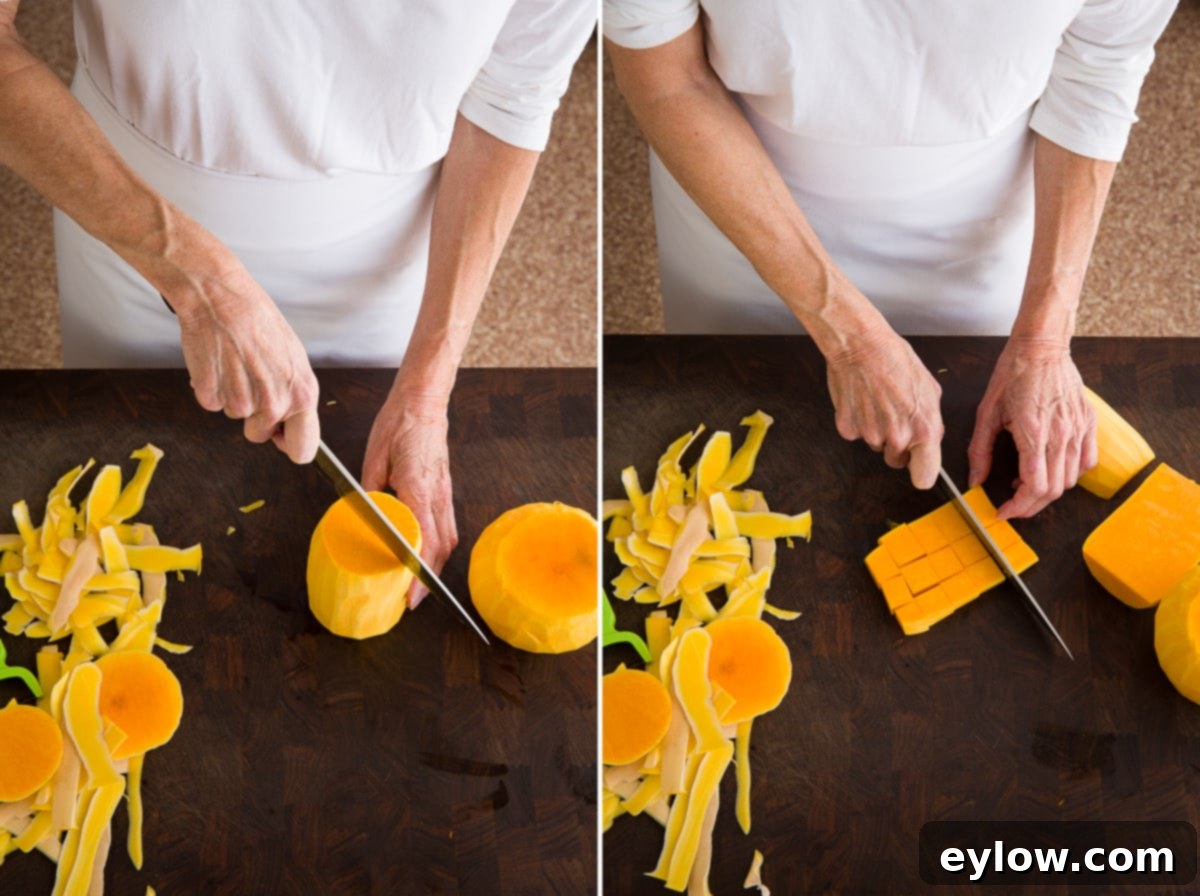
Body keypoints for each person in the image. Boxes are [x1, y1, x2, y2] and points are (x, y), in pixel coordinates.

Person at [0, 0, 595, 604]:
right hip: (128, 228)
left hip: (380, 262)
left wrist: (425, 392)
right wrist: (195, 276)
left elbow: (512, 96)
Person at [604, 0, 1178, 518]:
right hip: (740, 199)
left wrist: (1044, 340)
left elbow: (1098, 66)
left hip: (979, 212)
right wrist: (851, 336)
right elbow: (669, 81)